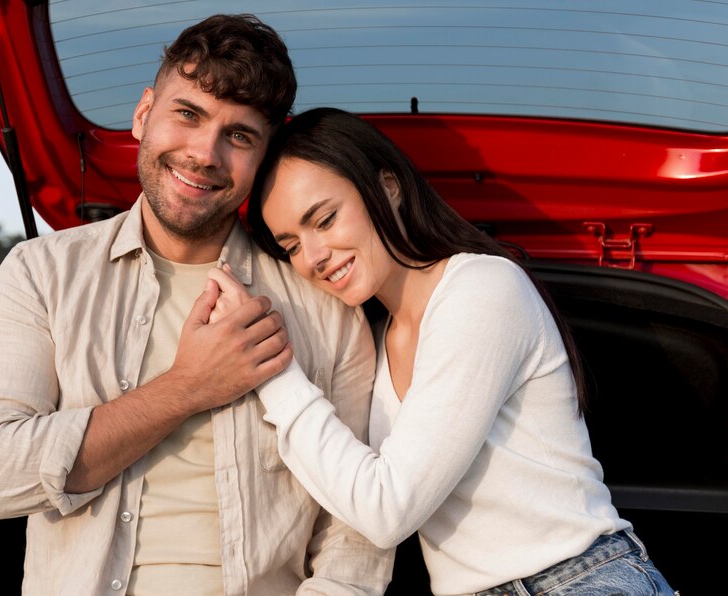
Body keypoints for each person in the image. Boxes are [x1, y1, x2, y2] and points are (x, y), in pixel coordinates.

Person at [0, 17, 391, 595]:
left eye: (239, 136)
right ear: (143, 114)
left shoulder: (324, 304)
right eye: (187, 114)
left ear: (263, 158)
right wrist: (187, 386)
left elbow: (355, 534)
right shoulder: (40, 274)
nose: (204, 153)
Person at [208, 107, 676, 595]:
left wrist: (270, 368)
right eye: (291, 245)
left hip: (577, 580)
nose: (314, 256)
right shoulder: (375, 336)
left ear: (388, 187)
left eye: (324, 219)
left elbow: (387, 510)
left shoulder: (482, 289)